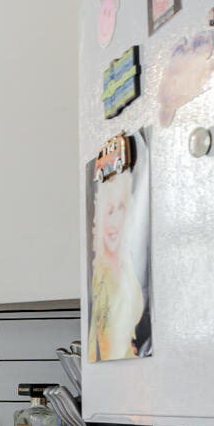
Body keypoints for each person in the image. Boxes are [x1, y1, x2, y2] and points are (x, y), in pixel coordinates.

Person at [87, 145, 151, 360]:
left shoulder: (133, 269)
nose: (113, 222)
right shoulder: (101, 279)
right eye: (109, 211)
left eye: (121, 208)